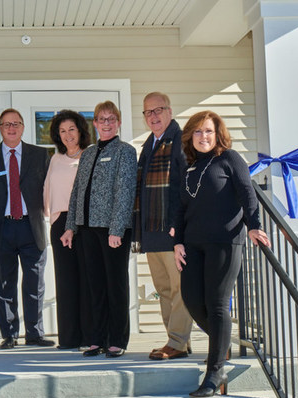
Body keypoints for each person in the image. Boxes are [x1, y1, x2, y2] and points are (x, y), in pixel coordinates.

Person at [172, 111, 270, 397]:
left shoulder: (229, 158)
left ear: (218, 135)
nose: (203, 136)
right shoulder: (190, 166)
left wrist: (254, 225)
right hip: (193, 244)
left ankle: (215, 371)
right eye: (198, 131)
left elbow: (247, 192)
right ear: (190, 136)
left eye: (208, 131)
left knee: (216, 304)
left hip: (225, 242)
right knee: (192, 300)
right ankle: (221, 341)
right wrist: (177, 241)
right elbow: (180, 207)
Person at [61, 101, 137, 358]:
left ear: (118, 122)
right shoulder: (88, 153)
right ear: (94, 123)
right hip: (87, 229)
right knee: (94, 286)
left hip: (112, 230)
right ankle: (97, 338)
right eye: (101, 119)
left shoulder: (125, 152)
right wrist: (70, 226)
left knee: (115, 286)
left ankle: (117, 339)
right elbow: (77, 192)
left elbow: (125, 191)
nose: (106, 123)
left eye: (111, 118)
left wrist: (117, 229)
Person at [133, 92, 195, 361]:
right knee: (165, 289)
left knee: (180, 289)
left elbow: (185, 187)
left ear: (169, 111)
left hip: (172, 230)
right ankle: (177, 340)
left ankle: (177, 341)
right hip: (151, 230)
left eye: (158, 110)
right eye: (148, 112)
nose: (153, 116)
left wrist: (176, 224)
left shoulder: (181, 141)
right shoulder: (150, 145)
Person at [0, 108, 54, 349]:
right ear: (0, 129)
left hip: (31, 226)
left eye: (16, 123)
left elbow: (50, 188)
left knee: (34, 283)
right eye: (6, 124)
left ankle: (34, 333)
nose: (11, 128)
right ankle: (9, 334)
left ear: (23, 127)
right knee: (4, 284)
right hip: (1, 228)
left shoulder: (40, 155)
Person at [43, 110, 93, 350]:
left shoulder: (90, 156)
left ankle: (89, 336)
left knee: (86, 279)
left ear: (80, 130)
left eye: (71, 129)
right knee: (65, 281)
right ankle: (69, 337)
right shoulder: (55, 159)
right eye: (62, 131)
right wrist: (52, 218)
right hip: (60, 222)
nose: (67, 134)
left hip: (84, 222)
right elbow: (47, 189)